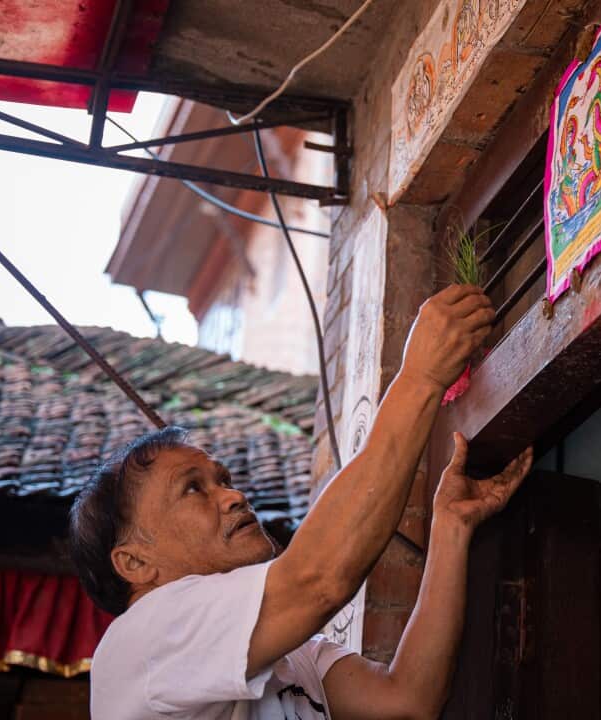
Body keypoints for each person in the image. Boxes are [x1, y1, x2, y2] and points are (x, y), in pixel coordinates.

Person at [70, 285, 533, 720]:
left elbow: (406, 700)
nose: (234, 496)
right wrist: (420, 378)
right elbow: (318, 579)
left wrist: (449, 528)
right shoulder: (139, 643)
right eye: (193, 488)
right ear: (134, 561)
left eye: (223, 480)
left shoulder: (289, 657)